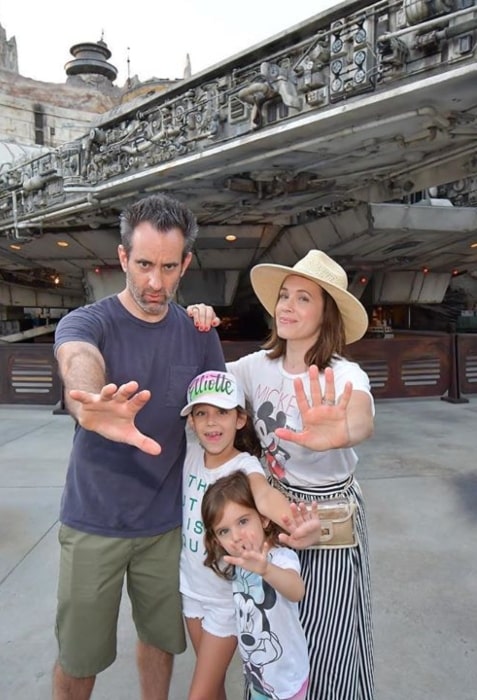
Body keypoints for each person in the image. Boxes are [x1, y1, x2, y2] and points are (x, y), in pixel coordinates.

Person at [52, 193, 225, 700]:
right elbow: (77, 354)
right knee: (79, 657)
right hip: (93, 523)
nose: (155, 281)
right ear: (123, 257)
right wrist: (91, 399)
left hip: (166, 526)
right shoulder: (91, 321)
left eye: (169, 267)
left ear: (185, 264)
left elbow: (218, 415)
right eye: (144, 264)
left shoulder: (198, 334)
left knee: (161, 641)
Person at [226, 249, 375, 700]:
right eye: (284, 296)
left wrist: (346, 430)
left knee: (329, 636)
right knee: (276, 631)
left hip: (329, 517)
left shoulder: (344, 374)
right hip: (274, 513)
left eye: (303, 298)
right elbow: (206, 382)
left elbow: (363, 415)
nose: (287, 306)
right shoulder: (254, 367)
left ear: (326, 312)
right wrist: (195, 322)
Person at [179, 369, 319, 700]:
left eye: (222, 412)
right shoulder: (188, 458)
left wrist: (294, 522)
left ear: (240, 419)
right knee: (211, 686)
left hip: (224, 600)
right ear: (191, 422)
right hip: (190, 589)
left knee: (198, 694)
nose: (212, 423)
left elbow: (264, 495)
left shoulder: (245, 466)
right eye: (202, 413)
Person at [202, 470, 310, 700]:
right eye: (224, 531)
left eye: (243, 521)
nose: (237, 536)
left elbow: (296, 591)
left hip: (287, 681)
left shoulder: (279, 558)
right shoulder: (239, 563)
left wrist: (266, 570)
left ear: (263, 517)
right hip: (259, 679)